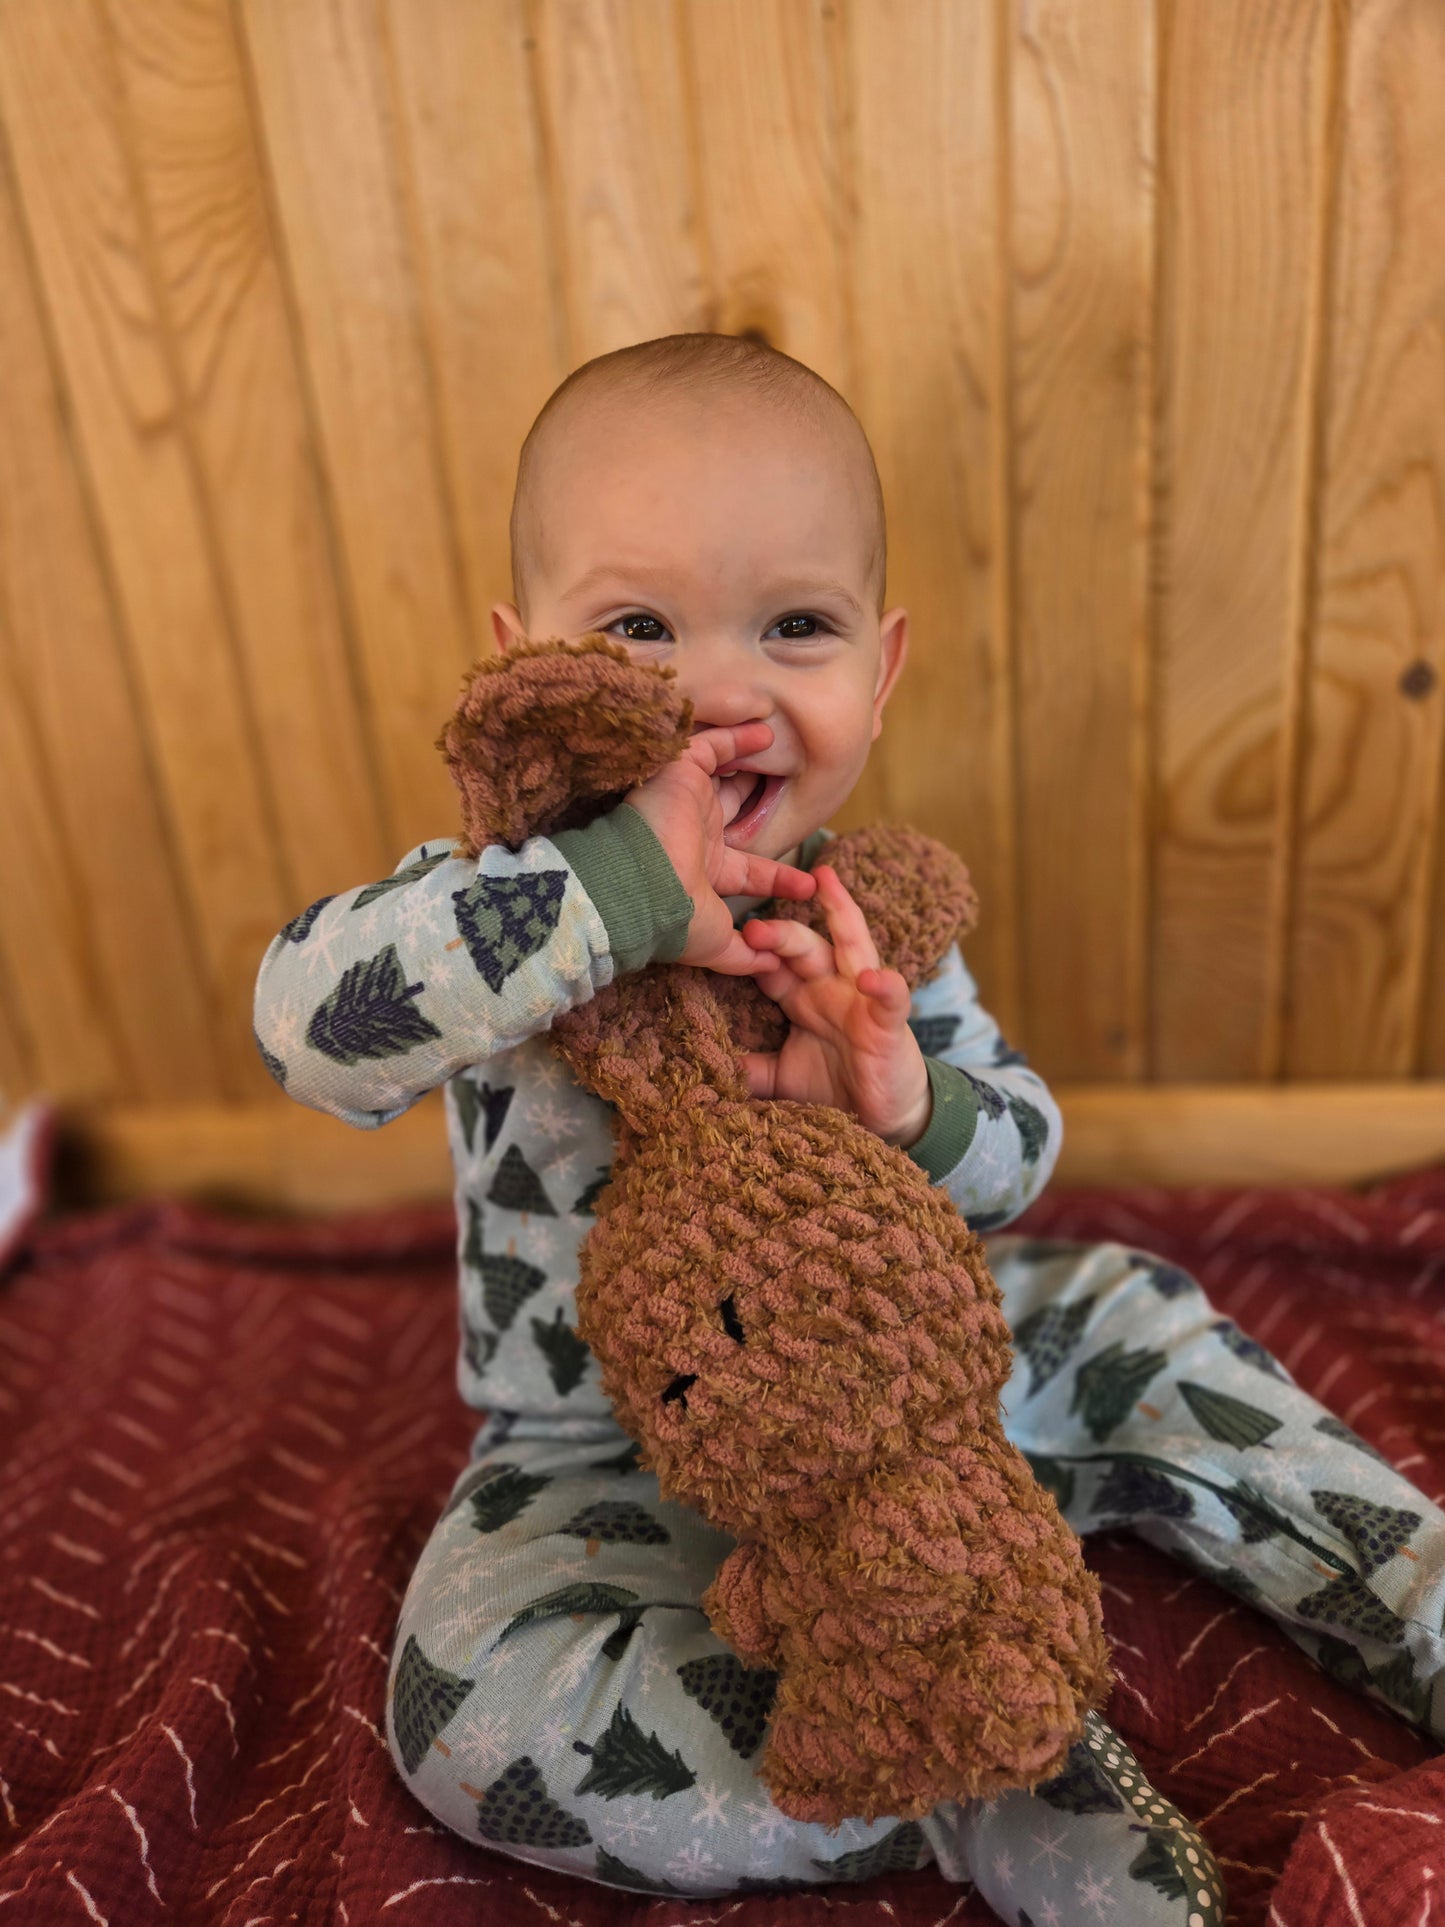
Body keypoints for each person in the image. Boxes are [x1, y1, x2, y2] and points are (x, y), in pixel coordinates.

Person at [253, 333, 1442, 1922]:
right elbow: (306, 1033)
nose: (724, 695)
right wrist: (601, 904)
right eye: (638, 628)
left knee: (1133, 1315)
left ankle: (1411, 1606)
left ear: (877, 676)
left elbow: (1017, 1160)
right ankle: (962, 1778)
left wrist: (906, 1098)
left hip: (912, 1394)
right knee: (464, 1719)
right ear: (524, 656)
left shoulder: (868, 925)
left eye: (792, 628)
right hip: (589, 1445)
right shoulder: (491, 923)